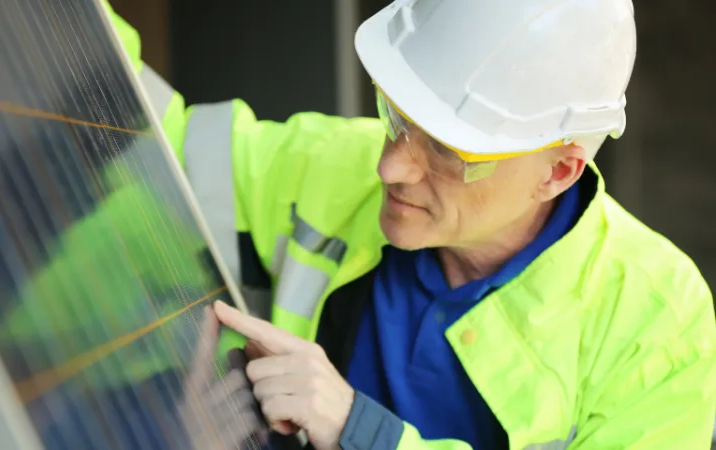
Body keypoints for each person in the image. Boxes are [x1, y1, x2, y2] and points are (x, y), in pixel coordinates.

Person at [110, 0, 716, 449]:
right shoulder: (328, 167)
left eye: (450, 151)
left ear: (559, 170)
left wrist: (361, 431)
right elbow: (139, 141)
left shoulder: (658, 320)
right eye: (395, 116)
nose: (390, 165)